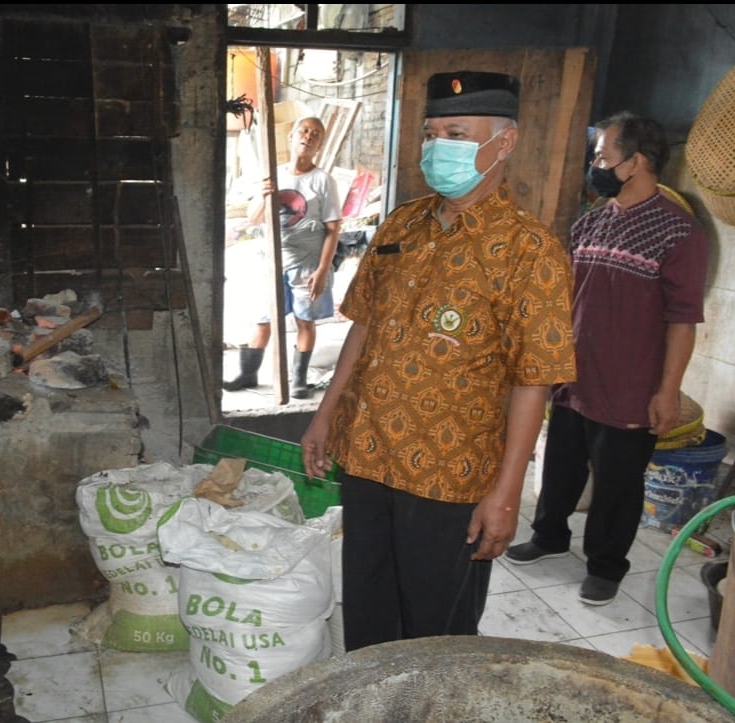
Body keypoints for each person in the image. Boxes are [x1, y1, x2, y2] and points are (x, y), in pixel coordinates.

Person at [300, 70, 576, 650]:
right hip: (369, 453)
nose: (435, 147)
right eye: (430, 133)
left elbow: (535, 380)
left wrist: (505, 494)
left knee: (436, 631)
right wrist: (326, 416)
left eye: (455, 132)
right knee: (370, 609)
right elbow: (364, 326)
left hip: (449, 476)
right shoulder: (402, 223)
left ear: (504, 143)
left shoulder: (531, 250)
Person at [505, 112, 709, 606]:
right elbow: (567, 297)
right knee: (561, 462)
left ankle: (606, 564)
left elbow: (683, 321)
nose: (595, 165)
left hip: (630, 384)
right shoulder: (591, 222)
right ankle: (551, 535)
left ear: (636, 162)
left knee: (617, 480)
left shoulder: (679, 233)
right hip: (574, 374)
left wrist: (665, 391)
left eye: (603, 155)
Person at [223, 115, 342, 399]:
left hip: (307, 264)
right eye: (304, 130)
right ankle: (247, 374)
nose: (308, 137)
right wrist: (264, 195)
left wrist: (323, 270)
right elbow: (253, 219)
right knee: (263, 319)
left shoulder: (323, 181)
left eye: (315, 135)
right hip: (273, 262)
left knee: (304, 321)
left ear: (319, 146)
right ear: (291, 137)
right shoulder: (274, 176)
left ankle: (298, 380)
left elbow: (334, 230)